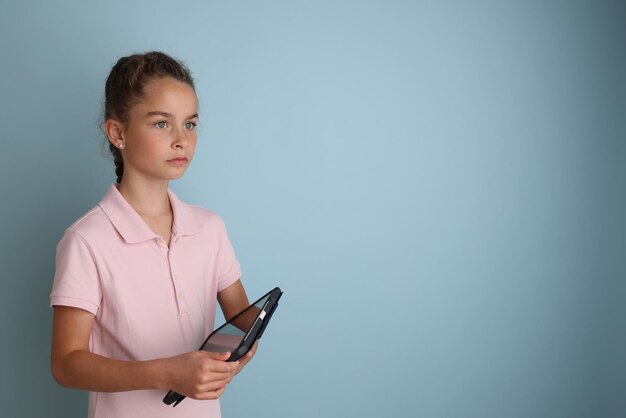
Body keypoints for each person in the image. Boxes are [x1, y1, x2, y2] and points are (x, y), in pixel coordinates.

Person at [50, 51, 256, 418]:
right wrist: (168, 370)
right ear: (118, 133)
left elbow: (240, 314)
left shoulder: (210, 228)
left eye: (190, 124)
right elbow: (66, 363)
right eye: (162, 124)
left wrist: (246, 342)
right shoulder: (86, 239)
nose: (181, 139)